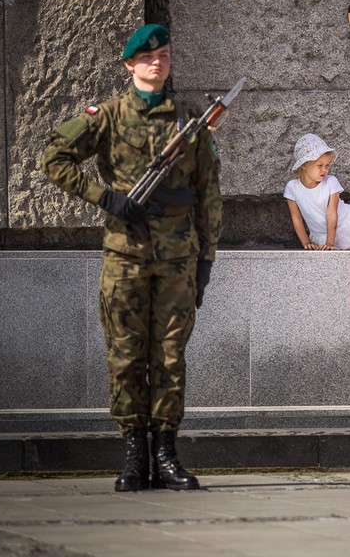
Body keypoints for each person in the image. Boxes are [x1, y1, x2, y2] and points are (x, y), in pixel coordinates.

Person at [40, 24, 221, 492]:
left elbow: (208, 191)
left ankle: (166, 453)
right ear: (130, 65)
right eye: (147, 57)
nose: (157, 63)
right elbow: (54, 159)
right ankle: (135, 454)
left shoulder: (189, 119)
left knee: (170, 356)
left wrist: (206, 258)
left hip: (178, 257)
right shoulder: (109, 116)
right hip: (126, 255)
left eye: (164, 55)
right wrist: (106, 198)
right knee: (125, 355)